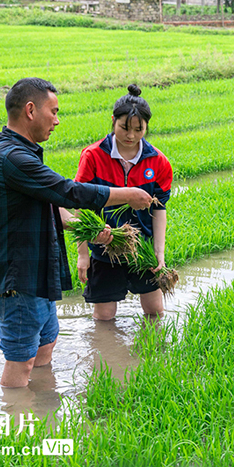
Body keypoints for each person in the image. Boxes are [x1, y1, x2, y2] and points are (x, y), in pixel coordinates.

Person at [0, 77, 154, 389]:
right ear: (31, 110)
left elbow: (50, 202)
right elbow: (68, 192)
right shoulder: (12, 157)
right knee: (22, 359)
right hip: (17, 278)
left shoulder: (24, 152)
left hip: (36, 274)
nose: (57, 120)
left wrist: (89, 229)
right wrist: (126, 194)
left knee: (46, 344)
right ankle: (17, 423)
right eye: (54, 111)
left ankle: (44, 412)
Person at [64, 84, 173, 326]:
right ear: (113, 121)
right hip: (103, 250)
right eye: (124, 127)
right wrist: (83, 254)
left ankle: (152, 357)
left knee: (154, 312)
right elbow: (80, 206)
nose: (131, 135)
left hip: (141, 248)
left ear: (146, 126)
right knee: (103, 318)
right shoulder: (93, 156)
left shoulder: (158, 161)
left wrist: (159, 254)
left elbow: (159, 209)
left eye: (138, 129)